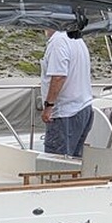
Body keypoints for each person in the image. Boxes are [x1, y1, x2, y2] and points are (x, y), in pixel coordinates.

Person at [40, 27, 94, 157]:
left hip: (65, 112)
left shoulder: (58, 41)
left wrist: (48, 106)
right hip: (84, 108)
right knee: (74, 162)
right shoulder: (77, 39)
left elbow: (59, 76)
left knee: (55, 164)